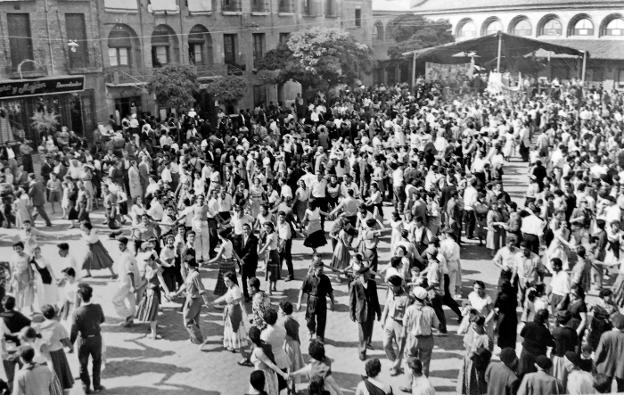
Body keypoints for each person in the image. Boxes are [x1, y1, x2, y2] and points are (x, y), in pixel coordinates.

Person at [400, 286, 438, 392]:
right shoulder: (430, 310)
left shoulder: (410, 309)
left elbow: (405, 324)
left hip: (413, 338)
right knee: (424, 364)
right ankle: (422, 386)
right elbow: (437, 325)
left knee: (409, 362)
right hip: (427, 339)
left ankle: (409, 385)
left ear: (415, 297)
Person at [70, 284, 105, 394]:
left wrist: (70, 344)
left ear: (80, 296)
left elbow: (74, 331)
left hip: (83, 340)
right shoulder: (98, 307)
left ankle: (86, 387)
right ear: (91, 295)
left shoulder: (77, 312)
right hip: (96, 339)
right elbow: (102, 320)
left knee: (83, 365)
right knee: (97, 362)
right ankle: (97, 385)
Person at [169, 253, 208, 344]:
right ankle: (194, 338)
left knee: (187, 321)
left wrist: (206, 301)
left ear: (187, 264)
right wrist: (176, 294)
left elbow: (201, 289)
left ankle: (200, 339)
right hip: (191, 299)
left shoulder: (195, 274)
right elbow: (185, 285)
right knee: (194, 320)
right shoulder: (190, 273)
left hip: (193, 300)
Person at [135, 244, 170, 339]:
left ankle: (153, 334)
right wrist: (137, 288)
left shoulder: (156, 269)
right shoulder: (147, 267)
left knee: (152, 313)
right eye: (146, 260)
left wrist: (167, 292)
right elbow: (145, 281)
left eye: (149, 260)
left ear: (153, 259)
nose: (148, 262)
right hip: (148, 292)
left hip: (153, 293)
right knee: (152, 312)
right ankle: (154, 329)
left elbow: (162, 282)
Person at [37, 304, 74, 391]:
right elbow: (66, 340)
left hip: (45, 355)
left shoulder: (40, 327)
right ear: (54, 314)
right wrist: (71, 347)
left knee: (48, 381)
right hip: (58, 354)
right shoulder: (58, 325)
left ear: (43, 315)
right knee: (61, 378)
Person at [297, 260, 335, 343]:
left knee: (322, 320)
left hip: (322, 301)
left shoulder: (325, 278)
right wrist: (299, 302)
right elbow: (302, 290)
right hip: (311, 301)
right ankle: (311, 331)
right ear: (314, 269)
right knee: (310, 319)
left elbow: (330, 291)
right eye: (320, 270)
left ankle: (319, 337)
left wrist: (332, 301)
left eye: (322, 270)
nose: (322, 271)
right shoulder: (308, 278)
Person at [349, 265, 381, 361]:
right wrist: (352, 313)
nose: (369, 275)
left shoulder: (372, 283)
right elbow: (352, 300)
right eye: (368, 273)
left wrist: (378, 311)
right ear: (362, 275)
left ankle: (367, 343)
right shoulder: (354, 284)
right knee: (362, 333)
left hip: (371, 311)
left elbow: (375, 298)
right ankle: (362, 351)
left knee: (369, 330)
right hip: (361, 311)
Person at [381, 275, 411, 377]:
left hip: (400, 324)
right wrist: (383, 319)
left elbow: (407, 316)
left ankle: (397, 367)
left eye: (392, 286)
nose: (390, 287)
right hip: (390, 321)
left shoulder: (406, 298)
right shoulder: (390, 292)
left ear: (398, 286)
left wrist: (404, 330)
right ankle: (394, 363)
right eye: (389, 285)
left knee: (401, 347)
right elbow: (386, 306)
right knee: (386, 345)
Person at [247, 326, 288, 395]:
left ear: (250, 339)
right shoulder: (263, 344)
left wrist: (283, 374)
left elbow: (270, 364)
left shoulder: (258, 351)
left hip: (262, 377)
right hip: (264, 375)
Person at [457, 315, 492, 395]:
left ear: (481, 326)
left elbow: (488, 353)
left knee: (476, 382)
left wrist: (477, 351)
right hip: (468, 360)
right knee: (466, 380)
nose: (473, 326)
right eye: (472, 324)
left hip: (477, 364)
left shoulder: (485, 337)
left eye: (475, 325)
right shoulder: (471, 330)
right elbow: (465, 341)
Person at [260, 309, 289, 393]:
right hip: (282, 356)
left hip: (272, 361)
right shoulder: (282, 329)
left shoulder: (264, 334)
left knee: (274, 384)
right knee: (283, 384)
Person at [112, 236, 139, 327]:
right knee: (130, 300)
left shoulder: (127, 255)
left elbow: (130, 272)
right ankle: (129, 320)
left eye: (121, 245)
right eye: (118, 245)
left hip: (127, 283)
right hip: (124, 280)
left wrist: (133, 286)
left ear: (125, 245)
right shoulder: (124, 253)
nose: (119, 246)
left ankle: (128, 316)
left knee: (116, 300)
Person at [519, 309, 554, 376]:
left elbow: (522, 334)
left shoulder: (528, 324)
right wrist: (548, 327)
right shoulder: (545, 330)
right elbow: (550, 343)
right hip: (538, 356)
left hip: (525, 352)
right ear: (545, 319)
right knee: (533, 375)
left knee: (523, 373)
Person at [594, 312, 624, 392]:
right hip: (621, 370)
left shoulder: (606, 335)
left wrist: (594, 364)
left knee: (604, 390)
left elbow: (599, 353)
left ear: (613, 323)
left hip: (605, 368)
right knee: (621, 390)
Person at [237, 223, 259, 301]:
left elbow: (251, 251)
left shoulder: (254, 238)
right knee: (243, 279)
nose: (246, 231)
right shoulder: (240, 237)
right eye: (244, 229)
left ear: (250, 229)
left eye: (247, 229)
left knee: (252, 279)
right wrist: (239, 259)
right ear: (242, 230)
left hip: (251, 262)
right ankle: (246, 295)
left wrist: (242, 259)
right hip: (242, 263)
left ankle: (254, 295)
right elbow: (238, 249)